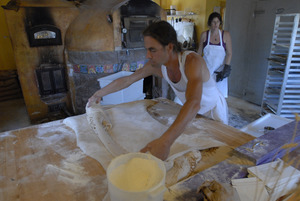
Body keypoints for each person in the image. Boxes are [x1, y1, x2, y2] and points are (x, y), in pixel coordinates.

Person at [88, 21, 228, 161]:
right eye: (147, 50)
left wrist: (166, 141)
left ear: (169, 47)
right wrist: (98, 94)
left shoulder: (192, 62)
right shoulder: (157, 66)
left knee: (218, 155)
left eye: (152, 50)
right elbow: (128, 80)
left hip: (213, 113)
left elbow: (193, 102)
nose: (148, 55)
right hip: (194, 115)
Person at [198, 12, 232, 98]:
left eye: (218, 21)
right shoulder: (204, 35)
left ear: (220, 22)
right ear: (209, 23)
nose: (216, 24)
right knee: (205, 96)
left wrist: (226, 68)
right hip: (206, 72)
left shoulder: (226, 35)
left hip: (220, 73)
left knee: (219, 98)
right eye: (213, 22)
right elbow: (199, 53)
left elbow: (229, 53)